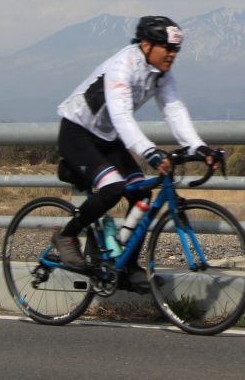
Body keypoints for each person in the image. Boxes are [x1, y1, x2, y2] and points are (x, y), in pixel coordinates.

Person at [51, 15, 219, 282]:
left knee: (141, 193)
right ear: (146, 45)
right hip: (77, 131)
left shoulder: (161, 74)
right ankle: (66, 236)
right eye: (168, 47)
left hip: (106, 136)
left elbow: (174, 109)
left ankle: (126, 265)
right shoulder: (123, 66)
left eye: (176, 49)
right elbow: (122, 116)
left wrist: (198, 147)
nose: (173, 54)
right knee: (113, 188)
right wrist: (150, 151)